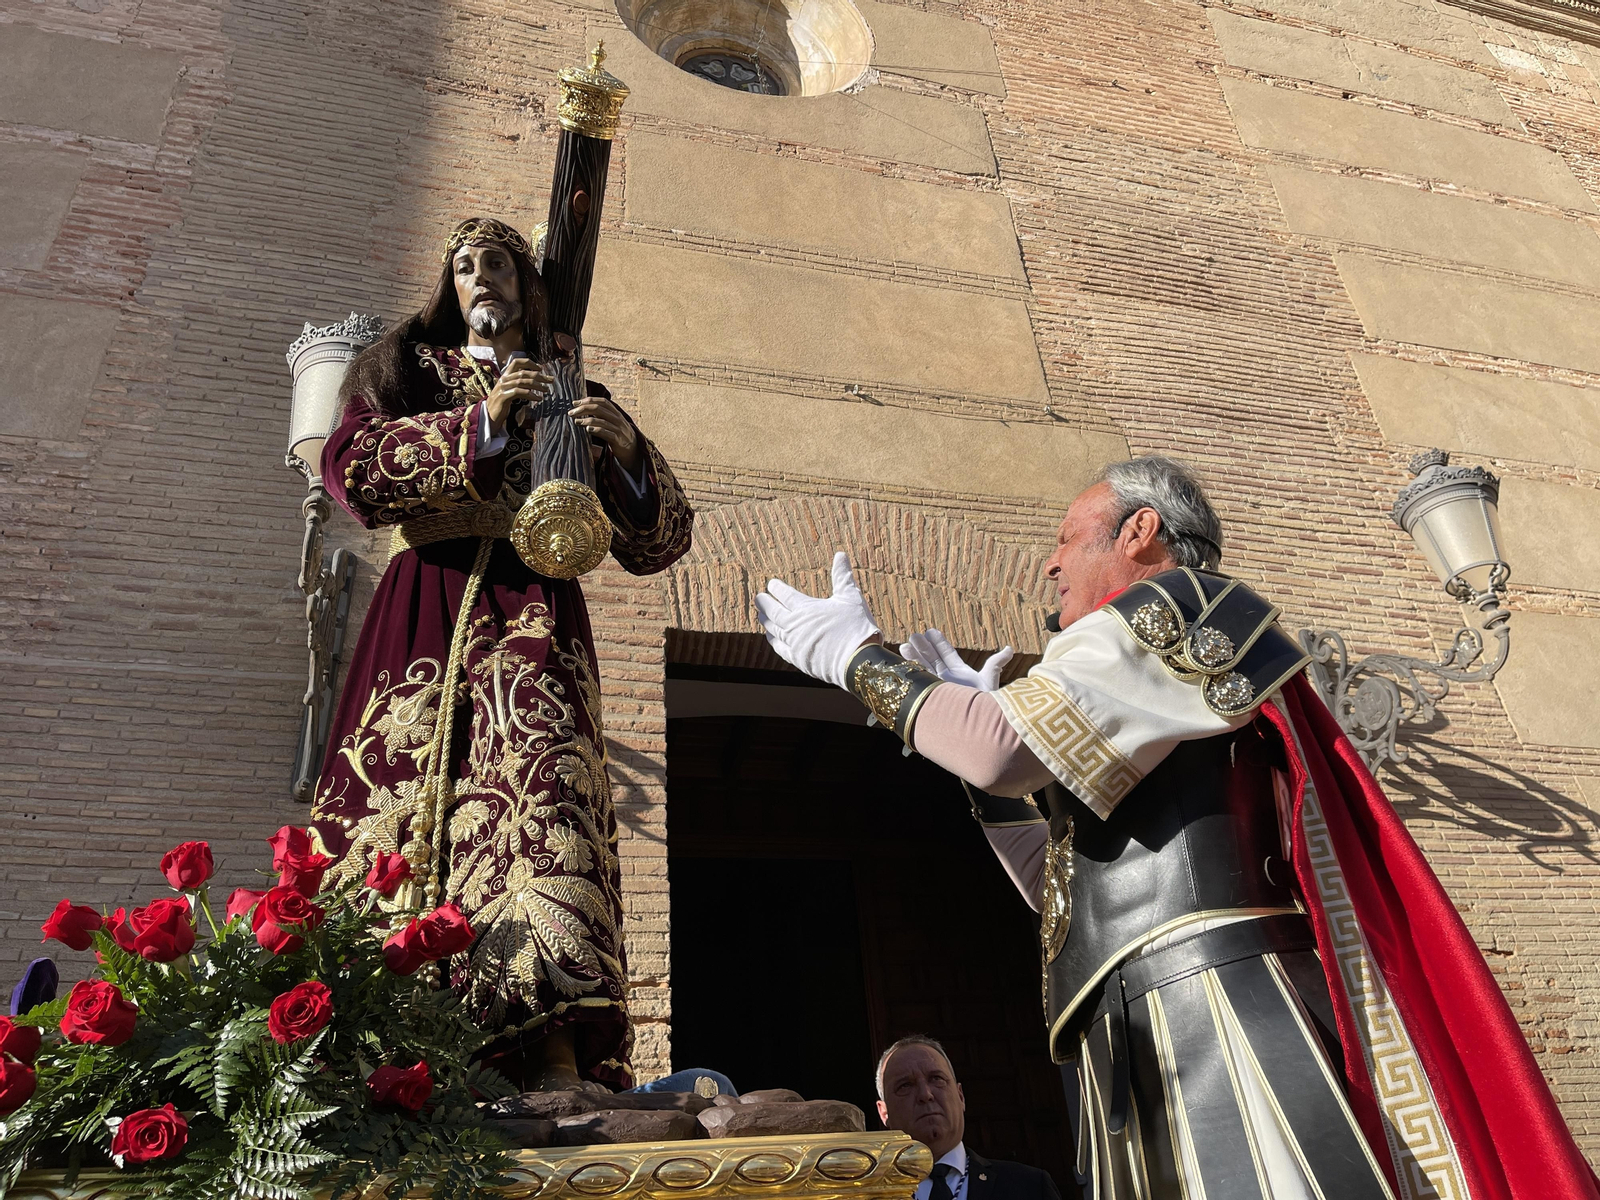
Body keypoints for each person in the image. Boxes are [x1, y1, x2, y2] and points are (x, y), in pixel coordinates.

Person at [757, 456, 1598, 1199]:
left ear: (1140, 531)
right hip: (1134, 1018)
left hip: (1206, 1002)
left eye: (1066, 538)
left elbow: (999, 750)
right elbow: (1056, 888)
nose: (1049, 562)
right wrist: (975, 758)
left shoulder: (1175, 605)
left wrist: (858, 660)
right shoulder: (1141, 678)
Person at [310, 217, 694, 1091]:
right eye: (464, 266)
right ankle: (373, 1050)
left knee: (546, 801)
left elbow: (660, 542)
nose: (480, 277)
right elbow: (352, 470)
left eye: (497, 264)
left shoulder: (574, 389)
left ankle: (548, 1048)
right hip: (427, 603)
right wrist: (478, 424)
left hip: (537, 619)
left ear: (527, 284)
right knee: (405, 804)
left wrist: (629, 453)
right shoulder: (408, 370)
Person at [876, 1036, 1060, 1200]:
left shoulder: (1030, 1186)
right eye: (905, 1085)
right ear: (884, 1113)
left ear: (961, 1096)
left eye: (936, 1078)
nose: (925, 1094)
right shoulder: (869, 1194)